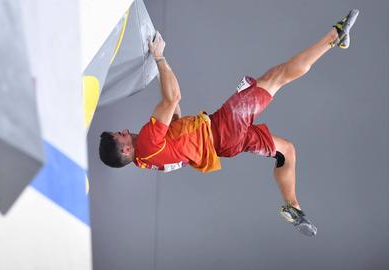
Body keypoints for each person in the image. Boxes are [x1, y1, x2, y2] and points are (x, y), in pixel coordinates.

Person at [99, 9, 359, 237]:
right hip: (223, 128)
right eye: (119, 135)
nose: (123, 131)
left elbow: (175, 116)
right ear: (124, 150)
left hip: (226, 145)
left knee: (287, 150)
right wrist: (159, 58)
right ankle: (336, 37)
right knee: (278, 76)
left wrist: (161, 73)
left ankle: (294, 207)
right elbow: (174, 98)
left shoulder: (147, 159)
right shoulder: (145, 143)